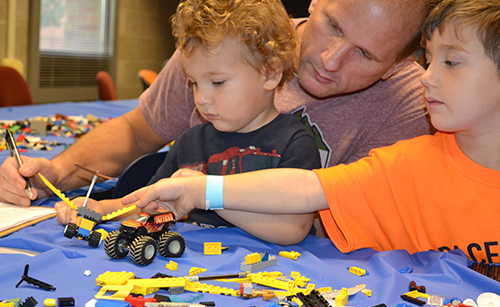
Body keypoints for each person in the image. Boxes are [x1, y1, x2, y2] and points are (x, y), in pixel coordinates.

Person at [122, 0, 500, 263]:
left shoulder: (404, 135)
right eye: (430, 61)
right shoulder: (404, 164)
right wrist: (200, 188)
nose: (428, 78)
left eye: (451, 62)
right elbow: (307, 189)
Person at [0, 0, 434, 208]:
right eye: (332, 24)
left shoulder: (412, 107)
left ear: (402, 62)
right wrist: (55, 173)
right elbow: (136, 132)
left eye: (365, 54)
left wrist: (204, 191)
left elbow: (329, 217)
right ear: (316, 2)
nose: (329, 59)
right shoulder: (228, 46)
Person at [55, 0, 321, 233]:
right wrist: (100, 208)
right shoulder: (190, 143)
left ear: (270, 73)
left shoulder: (295, 143)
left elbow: (293, 228)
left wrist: (204, 196)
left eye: (217, 82)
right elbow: (150, 203)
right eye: (194, 83)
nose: (201, 98)